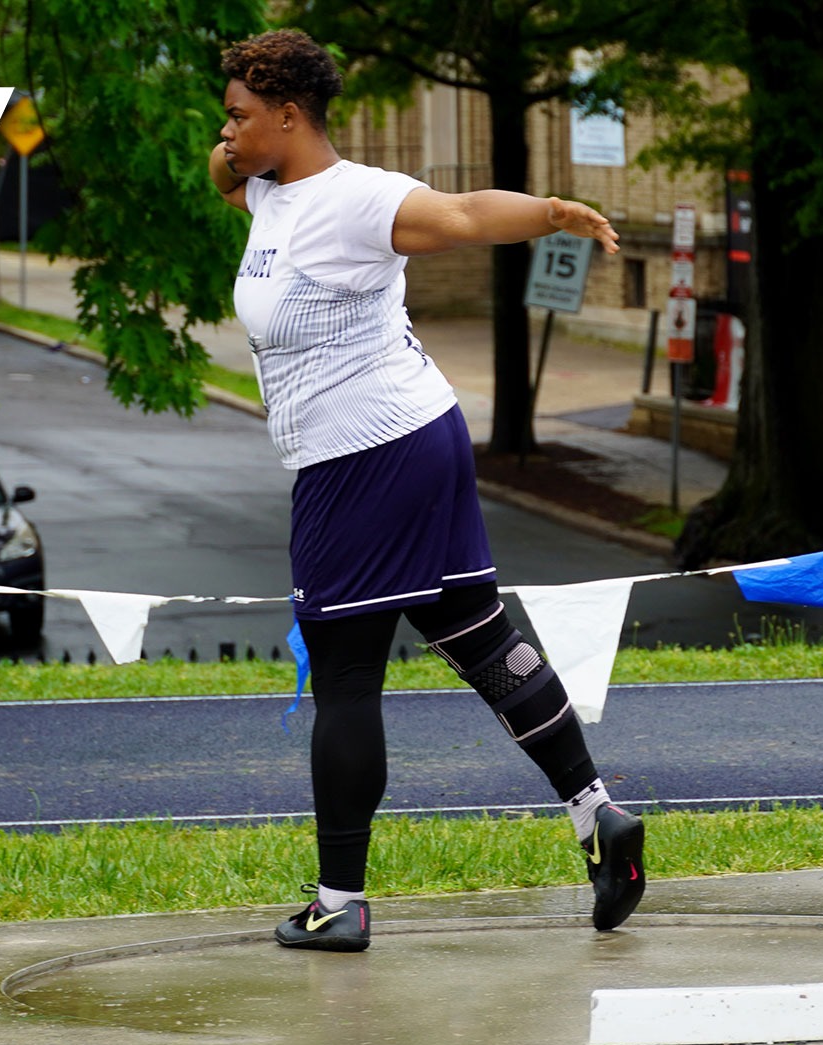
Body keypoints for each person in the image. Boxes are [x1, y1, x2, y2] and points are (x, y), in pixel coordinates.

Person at [208, 28, 644, 951]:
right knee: (481, 637)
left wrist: (555, 212)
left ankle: (339, 903)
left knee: (348, 675)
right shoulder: (268, 188)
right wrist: (235, 151)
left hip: (363, 455)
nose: (227, 131)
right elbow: (227, 176)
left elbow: (461, 216)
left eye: (242, 116)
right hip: (411, 438)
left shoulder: (360, 199)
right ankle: (598, 816)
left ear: (291, 118)